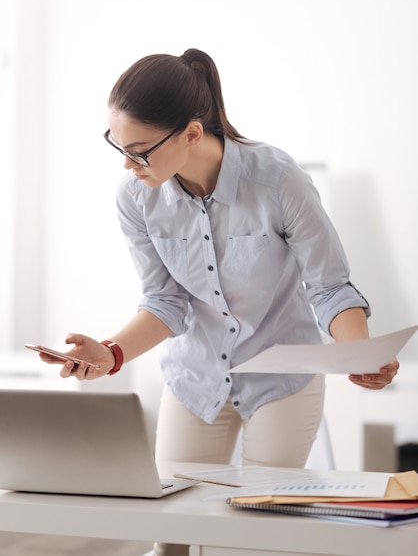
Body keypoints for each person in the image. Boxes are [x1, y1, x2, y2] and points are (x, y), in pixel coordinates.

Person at [41, 49, 399, 556]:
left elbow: (330, 287)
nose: (127, 164)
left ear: (190, 132)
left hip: (281, 382)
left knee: (249, 538)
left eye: (140, 150)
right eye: (119, 146)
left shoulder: (277, 179)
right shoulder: (136, 197)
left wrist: (360, 355)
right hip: (195, 377)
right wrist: (112, 352)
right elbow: (165, 301)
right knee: (170, 537)